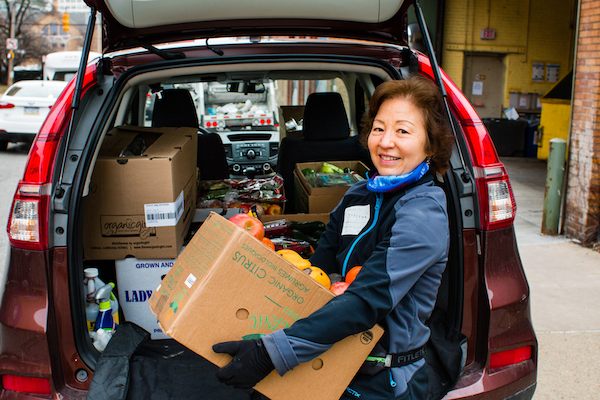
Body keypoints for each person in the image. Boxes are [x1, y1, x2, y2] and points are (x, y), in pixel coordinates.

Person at [213, 74, 455, 399]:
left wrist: (270, 352)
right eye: (379, 128)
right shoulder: (358, 195)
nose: (385, 141)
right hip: (330, 356)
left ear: (430, 143)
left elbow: (367, 300)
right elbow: (317, 270)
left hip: (383, 378)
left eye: (403, 131)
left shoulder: (422, 215)